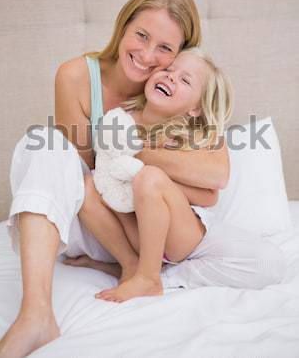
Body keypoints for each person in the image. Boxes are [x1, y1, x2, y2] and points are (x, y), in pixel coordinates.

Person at [0, 0, 286, 358]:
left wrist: (138, 149)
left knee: (261, 259)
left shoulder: (186, 107)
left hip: (161, 225)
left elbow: (214, 182)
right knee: (43, 144)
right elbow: (87, 173)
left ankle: (148, 272)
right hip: (101, 214)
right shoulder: (81, 80)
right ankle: (41, 311)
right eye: (141, 35)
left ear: (182, 56)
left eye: (165, 49)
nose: (148, 56)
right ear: (123, 27)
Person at [66, 47, 233, 303]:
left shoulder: (189, 135)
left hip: (178, 238)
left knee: (149, 178)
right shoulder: (122, 120)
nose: (170, 77)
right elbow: (106, 175)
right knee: (85, 185)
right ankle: (130, 265)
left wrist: (140, 160)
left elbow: (211, 196)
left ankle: (150, 278)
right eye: (167, 70)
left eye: (185, 80)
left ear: (196, 108)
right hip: (137, 234)